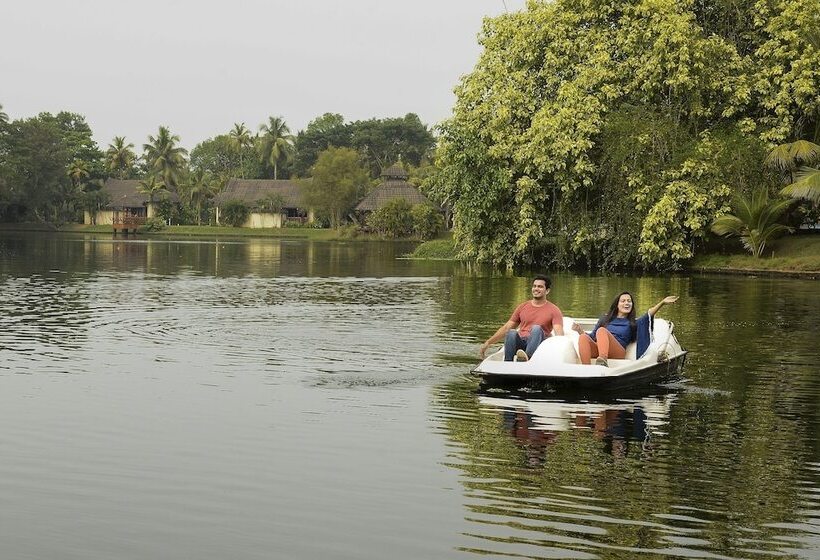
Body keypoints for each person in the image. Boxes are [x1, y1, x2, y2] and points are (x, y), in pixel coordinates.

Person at [572, 292, 678, 366]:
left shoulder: (633, 323)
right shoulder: (605, 319)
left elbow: (648, 314)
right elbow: (592, 337)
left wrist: (662, 303)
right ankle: (586, 369)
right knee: (583, 337)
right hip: (600, 348)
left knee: (602, 331)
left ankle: (602, 361)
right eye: (623, 301)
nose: (627, 303)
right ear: (617, 305)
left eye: (629, 301)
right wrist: (579, 331)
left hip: (617, 352)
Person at [479, 276, 565, 362]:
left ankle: (527, 359)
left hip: (539, 345)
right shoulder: (523, 307)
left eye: (540, 287)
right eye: (534, 286)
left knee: (536, 328)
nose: (536, 289)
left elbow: (559, 335)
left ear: (547, 291)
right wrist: (488, 343)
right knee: (511, 332)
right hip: (522, 343)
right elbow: (506, 328)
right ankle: (507, 363)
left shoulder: (554, 310)